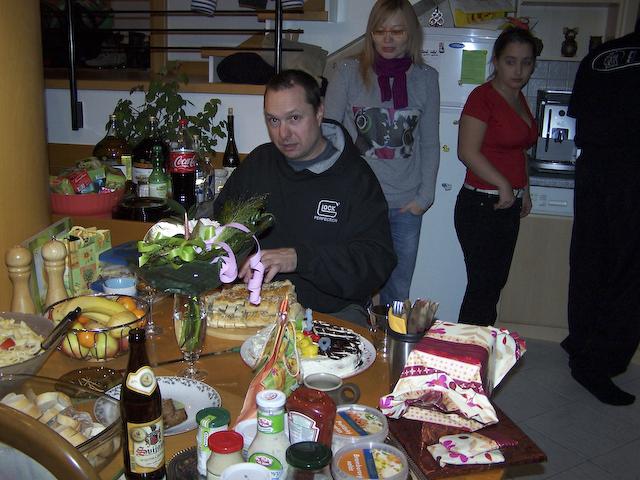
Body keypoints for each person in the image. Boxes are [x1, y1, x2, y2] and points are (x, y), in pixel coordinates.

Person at [202, 69, 397, 327]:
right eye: (273, 120)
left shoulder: (355, 177)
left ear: (318, 112)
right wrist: (233, 254)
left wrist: (299, 258)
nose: (283, 133)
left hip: (331, 313)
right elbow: (221, 228)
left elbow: (376, 262)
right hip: (255, 308)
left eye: (294, 118)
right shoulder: (259, 164)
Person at [323, 0, 440, 307]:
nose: (387, 39)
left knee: (397, 295)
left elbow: (430, 143)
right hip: (358, 204)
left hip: (405, 206)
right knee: (354, 290)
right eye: (380, 30)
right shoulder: (347, 72)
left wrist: (424, 198)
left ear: (411, 33)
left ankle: (393, 340)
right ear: (370, 33)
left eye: (397, 31)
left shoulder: (426, 78)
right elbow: (329, 135)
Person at [561, 21, 640, 406]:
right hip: (633, 171)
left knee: (589, 259)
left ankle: (581, 342)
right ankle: (598, 362)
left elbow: (579, 114)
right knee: (628, 274)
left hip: (593, 169)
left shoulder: (600, 56)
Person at [454, 27, 538, 326]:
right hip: (481, 205)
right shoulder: (483, 97)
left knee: (493, 285)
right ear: (497, 62)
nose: (518, 70)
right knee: (483, 287)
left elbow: (520, 150)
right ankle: (466, 349)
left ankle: (479, 345)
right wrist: (504, 184)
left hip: (507, 205)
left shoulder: (519, 98)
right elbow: (466, 151)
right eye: (510, 61)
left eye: (526, 62)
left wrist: (524, 189)